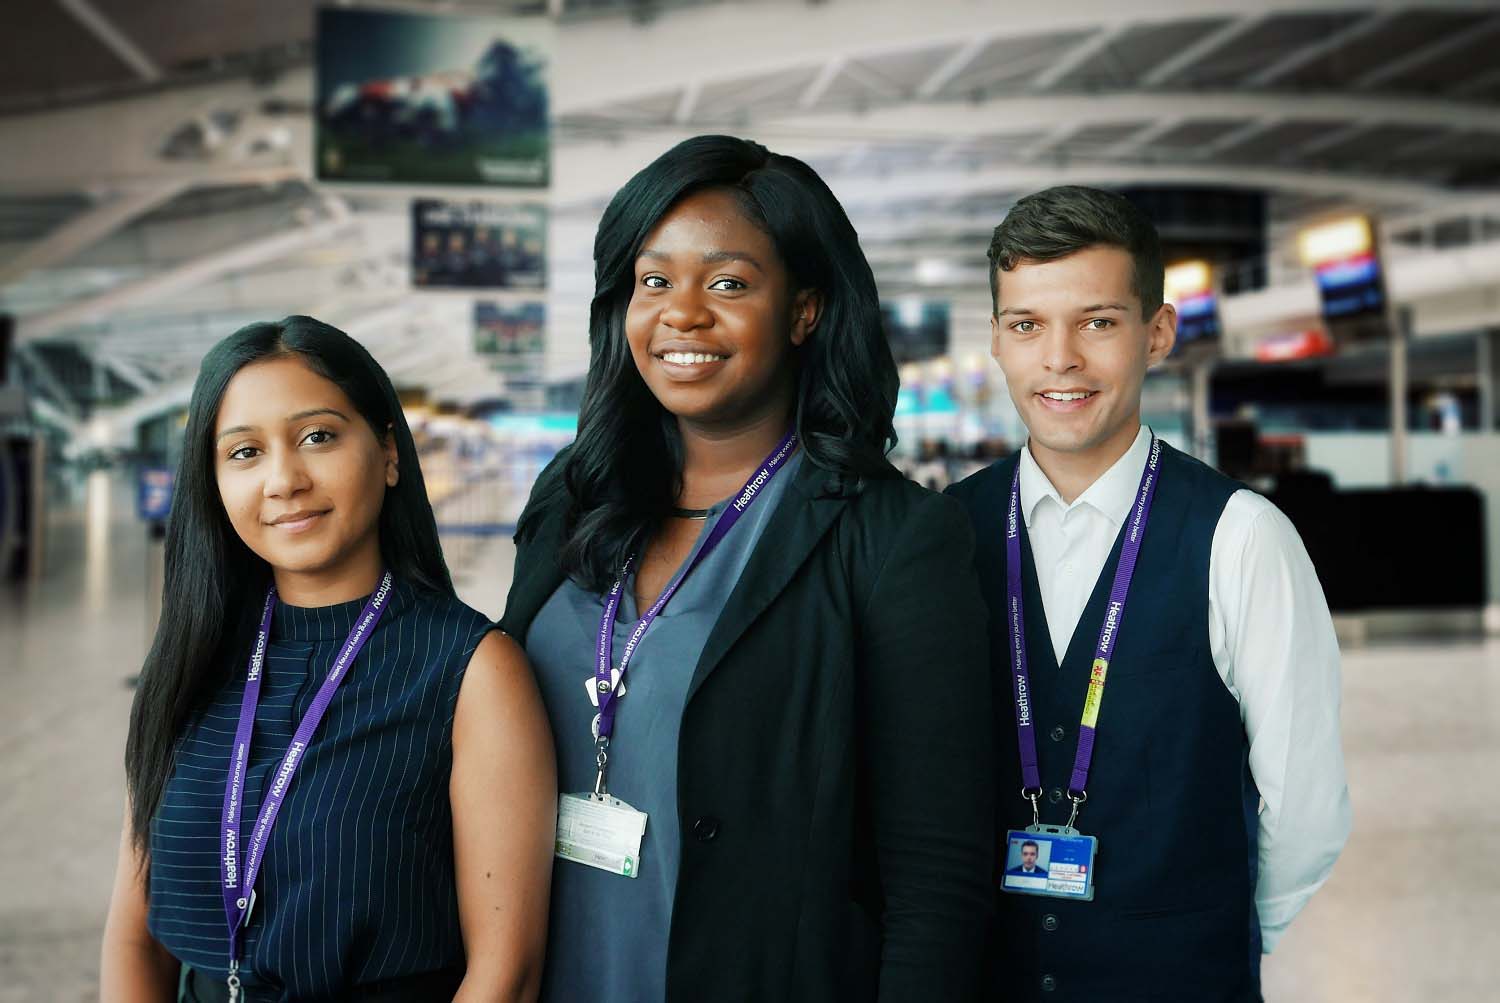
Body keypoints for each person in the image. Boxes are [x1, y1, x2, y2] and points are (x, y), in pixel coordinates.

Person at [501, 135, 995, 1002]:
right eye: (653, 282)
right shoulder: (573, 499)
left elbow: (936, 878)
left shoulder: (891, 539)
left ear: (804, 310)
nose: (682, 313)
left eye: (728, 283)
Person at [945, 187, 1350, 1001]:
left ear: (1156, 334)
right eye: (1027, 324)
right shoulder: (943, 534)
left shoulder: (1241, 537)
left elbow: (1306, 809)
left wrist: (1214, 931)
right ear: (996, 340)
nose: (1060, 358)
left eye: (1097, 321)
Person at [100, 316, 556, 1002]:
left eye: (318, 436)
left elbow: (506, 974)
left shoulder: (471, 671)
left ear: (389, 452)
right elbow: (135, 936)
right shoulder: (193, 664)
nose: (284, 479)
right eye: (245, 452)